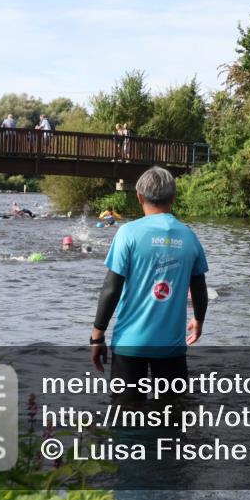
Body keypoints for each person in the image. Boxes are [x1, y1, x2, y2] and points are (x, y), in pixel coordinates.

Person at [90, 166, 210, 403]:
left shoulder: (128, 234)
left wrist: (97, 336)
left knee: (125, 420)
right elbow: (199, 287)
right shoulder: (189, 237)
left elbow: (111, 288)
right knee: (172, 419)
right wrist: (199, 319)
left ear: (139, 197)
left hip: (129, 345)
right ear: (173, 198)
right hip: (172, 348)